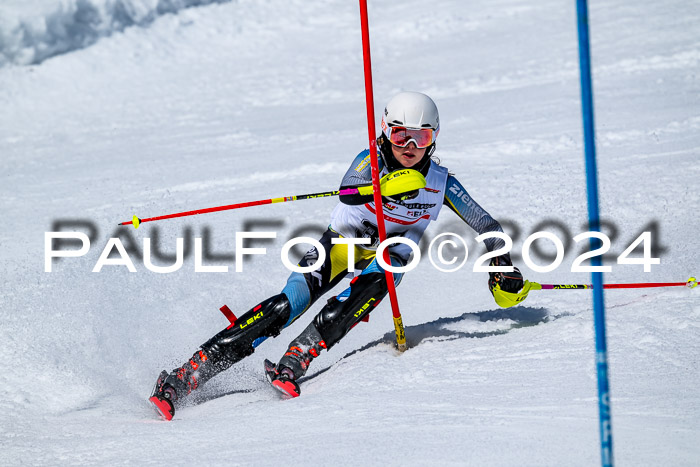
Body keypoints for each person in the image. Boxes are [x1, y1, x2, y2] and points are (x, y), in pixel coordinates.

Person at [149, 91, 527, 420]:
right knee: (286, 306)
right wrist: (385, 186)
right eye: (400, 134)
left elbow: (486, 224)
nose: (408, 146)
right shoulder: (370, 160)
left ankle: (298, 357)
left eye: (420, 136)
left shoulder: (443, 183)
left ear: (434, 139)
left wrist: (503, 265)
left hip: (389, 255)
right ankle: (186, 376)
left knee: (378, 279)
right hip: (343, 243)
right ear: (385, 131)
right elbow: (348, 191)